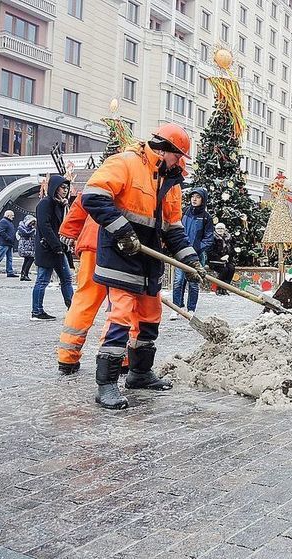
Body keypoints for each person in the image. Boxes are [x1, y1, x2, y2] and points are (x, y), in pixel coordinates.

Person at [82, 123, 206, 410]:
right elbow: (93, 196)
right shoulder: (126, 163)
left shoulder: (171, 183)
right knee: (121, 317)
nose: (181, 163)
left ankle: (139, 373)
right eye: (179, 157)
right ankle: (107, 384)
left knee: (150, 317)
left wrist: (190, 260)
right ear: (164, 150)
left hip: (149, 260)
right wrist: (122, 231)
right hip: (121, 255)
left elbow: (173, 228)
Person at [55, 192, 110, 375]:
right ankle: (116, 356)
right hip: (120, 246)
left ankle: (67, 356)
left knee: (85, 299)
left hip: (91, 242)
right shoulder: (144, 172)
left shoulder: (106, 173)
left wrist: (69, 230)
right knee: (121, 302)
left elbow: (84, 199)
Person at [32, 177, 74, 320]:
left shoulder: (61, 205)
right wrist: (56, 245)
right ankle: (36, 311)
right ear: (55, 188)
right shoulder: (45, 203)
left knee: (66, 279)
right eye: (63, 187)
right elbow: (45, 227)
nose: (65, 190)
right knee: (42, 280)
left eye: (66, 188)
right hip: (48, 249)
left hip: (59, 249)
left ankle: (73, 309)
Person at [171, 187, 213, 319]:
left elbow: (208, 238)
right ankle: (176, 308)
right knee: (178, 281)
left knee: (193, 282)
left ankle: (191, 308)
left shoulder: (206, 218)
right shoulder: (183, 212)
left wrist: (197, 249)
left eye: (198, 197)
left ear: (203, 199)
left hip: (196, 255)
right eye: (192, 196)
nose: (194, 199)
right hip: (181, 253)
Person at [208, 222, 236, 295]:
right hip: (214, 260)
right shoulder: (212, 238)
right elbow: (210, 251)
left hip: (226, 259)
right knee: (224, 270)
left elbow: (233, 250)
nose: (220, 230)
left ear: (224, 229)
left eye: (222, 228)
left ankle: (225, 288)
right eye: (218, 228)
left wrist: (228, 256)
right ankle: (218, 288)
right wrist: (220, 258)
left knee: (231, 268)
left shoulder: (229, 238)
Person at [0, 210, 19, 277]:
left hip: (9, 243)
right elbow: (1, 232)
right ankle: (10, 271)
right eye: (12, 215)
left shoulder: (9, 222)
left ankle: (10, 272)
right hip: (4, 243)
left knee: (9, 258)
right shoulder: (3, 221)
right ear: (8, 215)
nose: (13, 217)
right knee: (0, 257)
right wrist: (8, 238)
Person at [16, 214, 36, 281]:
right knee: (31, 259)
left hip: (29, 246)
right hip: (24, 246)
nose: (32, 224)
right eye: (31, 222)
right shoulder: (21, 227)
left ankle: (23, 274)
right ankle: (25, 274)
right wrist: (34, 229)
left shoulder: (29, 228)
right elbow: (26, 233)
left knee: (27, 259)